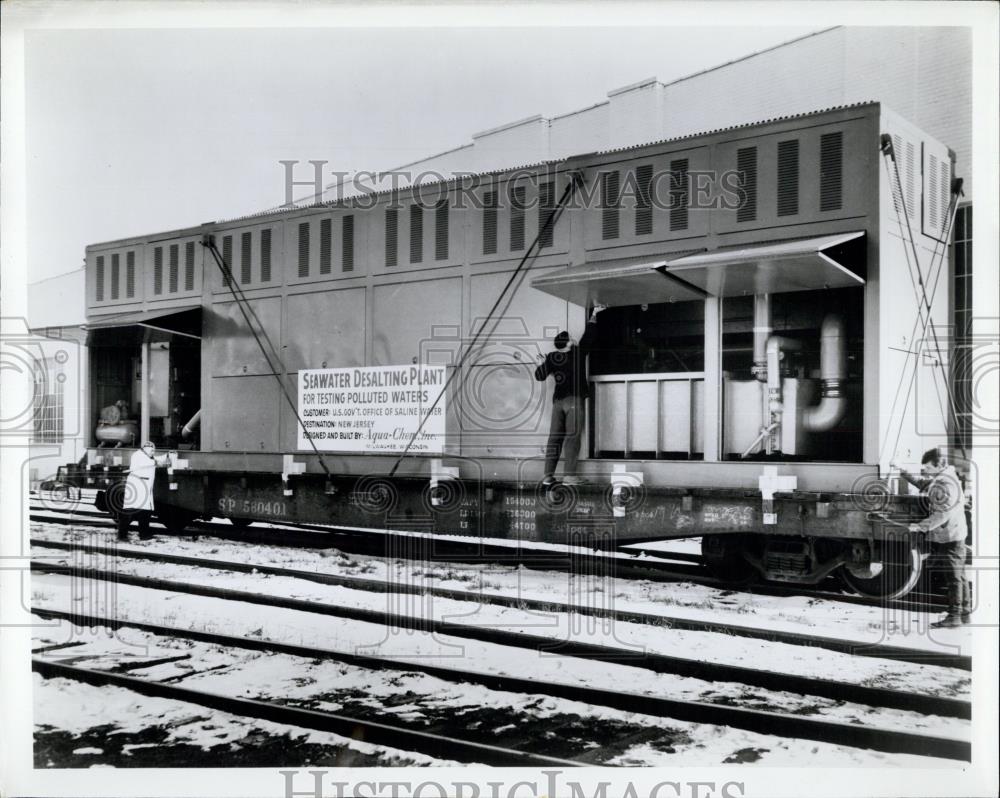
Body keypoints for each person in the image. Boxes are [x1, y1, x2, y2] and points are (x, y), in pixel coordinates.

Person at [891, 448, 971, 628]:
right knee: (959, 575)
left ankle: (954, 617)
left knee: (953, 576)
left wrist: (920, 526)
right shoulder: (942, 478)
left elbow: (943, 513)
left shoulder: (946, 483)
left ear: (939, 465)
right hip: (952, 534)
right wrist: (902, 469)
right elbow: (923, 484)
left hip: (950, 535)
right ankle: (964, 614)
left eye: (927, 467)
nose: (924, 470)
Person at [535, 303, 606, 486]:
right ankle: (569, 476)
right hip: (574, 400)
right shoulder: (577, 353)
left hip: (557, 403)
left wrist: (542, 364)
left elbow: (540, 376)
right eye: (571, 339)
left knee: (554, 438)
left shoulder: (552, 357)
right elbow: (589, 337)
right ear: (568, 343)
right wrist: (595, 314)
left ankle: (547, 476)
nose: (574, 339)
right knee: (572, 437)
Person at [117, 441, 171, 542]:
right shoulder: (138, 455)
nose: (152, 452)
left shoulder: (147, 456)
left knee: (145, 512)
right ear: (145, 449)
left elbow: (155, 459)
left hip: (144, 488)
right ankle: (122, 535)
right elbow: (148, 463)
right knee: (129, 512)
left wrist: (166, 455)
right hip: (137, 487)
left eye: (153, 450)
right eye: (151, 450)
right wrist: (157, 462)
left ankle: (144, 534)